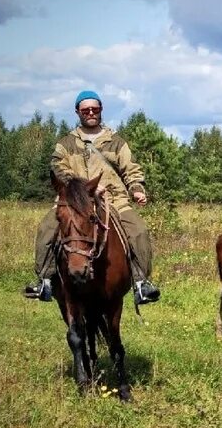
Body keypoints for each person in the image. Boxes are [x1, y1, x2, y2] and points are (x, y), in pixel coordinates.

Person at [23, 91, 161, 306]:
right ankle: (45, 280)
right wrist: (83, 188)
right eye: (85, 109)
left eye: (94, 109)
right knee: (46, 229)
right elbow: (58, 167)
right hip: (74, 200)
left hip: (113, 200)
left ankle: (141, 283)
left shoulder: (116, 142)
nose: (90, 113)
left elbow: (131, 169)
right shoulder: (66, 143)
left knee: (139, 231)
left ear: (101, 110)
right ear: (77, 111)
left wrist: (136, 189)